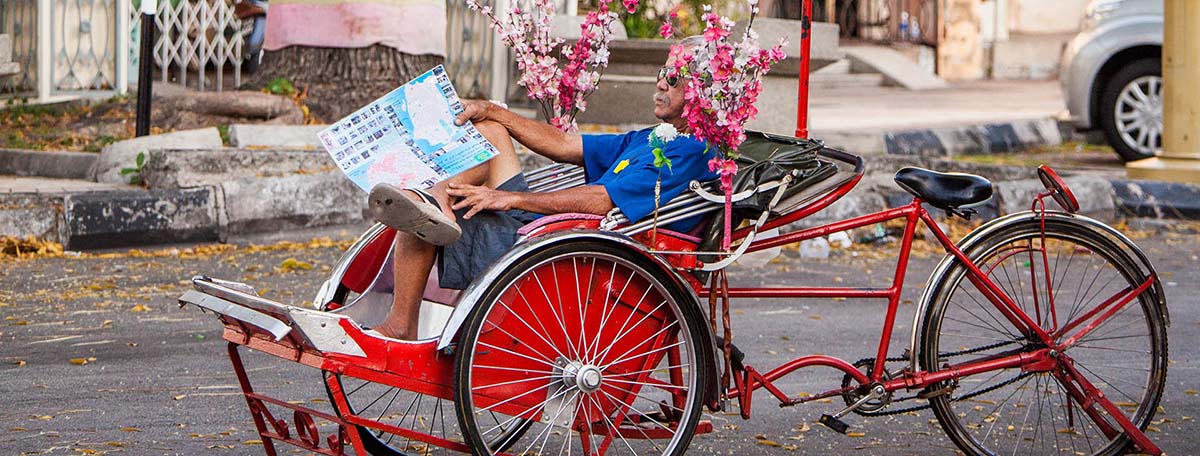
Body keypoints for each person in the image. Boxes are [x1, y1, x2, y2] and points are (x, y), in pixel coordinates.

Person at [367, 36, 715, 340]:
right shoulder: (653, 138)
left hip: (571, 255)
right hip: (552, 236)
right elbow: (563, 144)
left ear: (701, 91)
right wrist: (492, 110)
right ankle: (437, 198)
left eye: (673, 78)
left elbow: (602, 200)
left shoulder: (690, 152)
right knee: (489, 129)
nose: (661, 84)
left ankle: (402, 321)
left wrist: (511, 198)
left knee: (422, 217)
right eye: (663, 73)